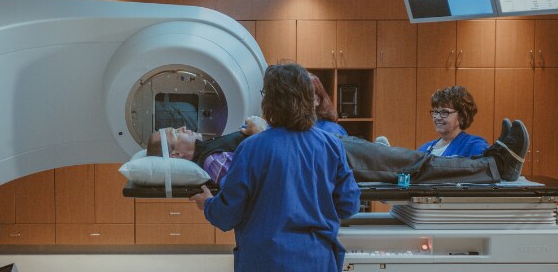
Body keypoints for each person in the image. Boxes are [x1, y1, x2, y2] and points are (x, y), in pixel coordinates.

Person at [189, 63, 360, 272]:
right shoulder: (331, 145)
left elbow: (227, 214)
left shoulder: (252, 148)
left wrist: (208, 204)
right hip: (317, 259)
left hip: (266, 260)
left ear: (269, 101)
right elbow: (349, 205)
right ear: (309, 99)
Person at [147, 113, 529, 185]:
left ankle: (487, 161)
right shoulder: (210, 160)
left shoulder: (211, 146)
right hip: (325, 160)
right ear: (177, 155)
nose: (181, 127)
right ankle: (496, 167)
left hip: (325, 150)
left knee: (413, 161)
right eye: (174, 133)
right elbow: (244, 178)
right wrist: (260, 132)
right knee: (415, 165)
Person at [418, 86, 490, 157]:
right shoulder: (423, 150)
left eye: (445, 112)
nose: (437, 117)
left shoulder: (475, 146)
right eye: (436, 112)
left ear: (462, 116)